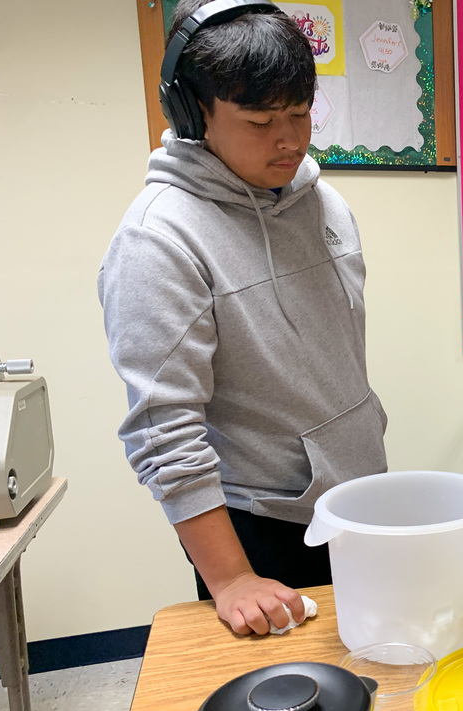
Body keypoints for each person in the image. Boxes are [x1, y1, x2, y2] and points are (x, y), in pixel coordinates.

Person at [98, 0, 387, 635]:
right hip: (260, 527)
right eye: (259, 121)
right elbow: (163, 427)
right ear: (192, 114)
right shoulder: (158, 240)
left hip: (357, 498)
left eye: (300, 113)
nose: (289, 140)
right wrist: (230, 578)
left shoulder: (324, 202)